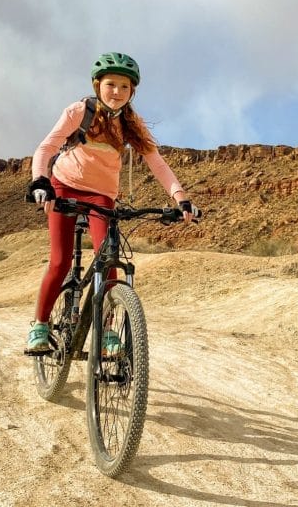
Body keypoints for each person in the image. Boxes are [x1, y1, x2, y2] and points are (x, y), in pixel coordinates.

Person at [25, 52, 199, 355]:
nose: (117, 92)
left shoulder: (132, 124)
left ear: (132, 91)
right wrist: (41, 182)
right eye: (111, 85)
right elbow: (47, 147)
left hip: (102, 195)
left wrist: (180, 198)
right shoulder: (80, 112)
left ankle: (107, 333)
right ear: (97, 85)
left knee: (109, 261)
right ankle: (39, 326)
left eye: (124, 86)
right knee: (60, 259)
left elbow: (157, 164)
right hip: (63, 186)